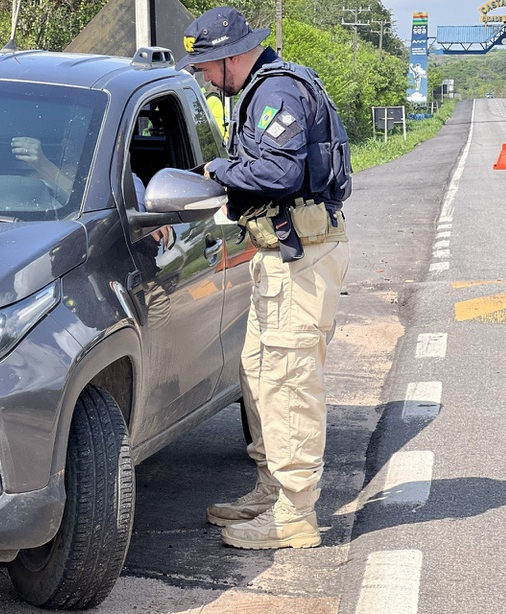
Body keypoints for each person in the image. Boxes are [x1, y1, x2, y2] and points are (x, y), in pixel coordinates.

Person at [176, 6, 351, 550]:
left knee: (290, 385)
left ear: (230, 57)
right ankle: (271, 489)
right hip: (279, 256)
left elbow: (280, 171)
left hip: (301, 260)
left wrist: (214, 173)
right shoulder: (259, 90)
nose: (205, 77)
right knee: (259, 376)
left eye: (207, 67)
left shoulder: (276, 92)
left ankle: (294, 519)